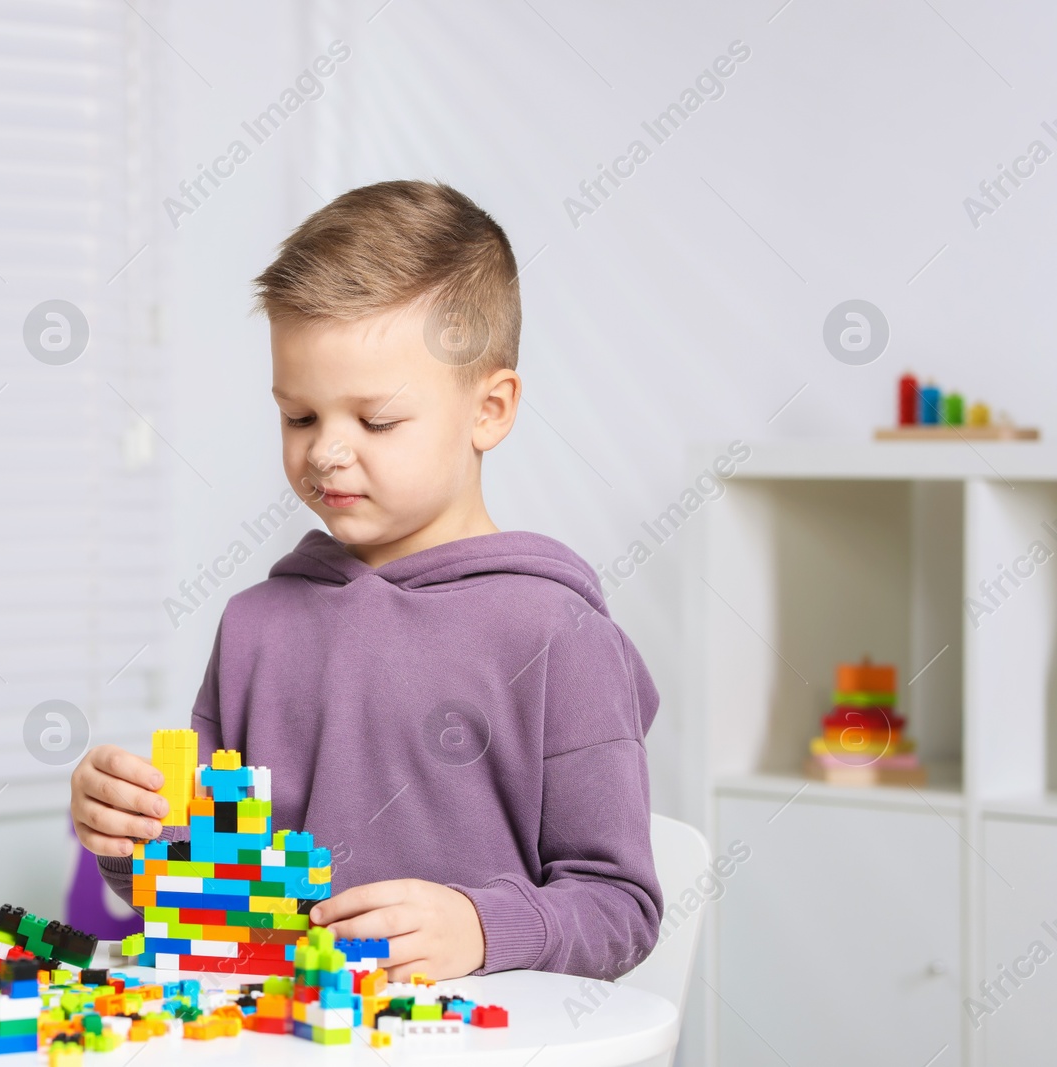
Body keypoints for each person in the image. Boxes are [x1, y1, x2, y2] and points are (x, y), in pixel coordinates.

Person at [69, 180, 661, 981]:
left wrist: (483, 928)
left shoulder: (556, 632)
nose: (325, 452)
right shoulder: (257, 626)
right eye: (300, 417)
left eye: (376, 420)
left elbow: (619, 908)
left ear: (490, 410)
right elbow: (195, 901)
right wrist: (128, 836)